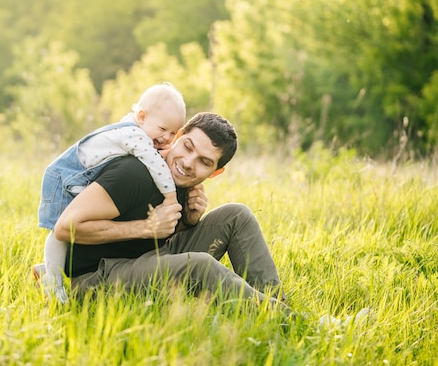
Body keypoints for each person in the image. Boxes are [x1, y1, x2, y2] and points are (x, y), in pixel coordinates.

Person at [48, 112, 288, 310]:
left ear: (215, 172)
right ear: (178, 136)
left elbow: (153, 238)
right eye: (187, 146)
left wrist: (189, 222)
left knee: (237, 215)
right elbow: (65, 228)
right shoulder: (133, 173)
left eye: (204, 162)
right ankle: (287, 319)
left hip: (146, 261)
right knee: (199, 266)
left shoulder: (183, 184)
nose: (187, 162)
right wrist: (147, 227)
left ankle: (276, 304)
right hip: (96, 281)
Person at [35, 83, 187, 303]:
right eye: (163, 130)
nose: (166, 138)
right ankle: (53, 284)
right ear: (142, 116)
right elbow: (154, 162)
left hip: (79, 176)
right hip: (66, 178)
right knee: (61, 230)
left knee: (76, 226)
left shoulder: (135, 126)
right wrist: (171, 197)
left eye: (173, 134)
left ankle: (47, 269)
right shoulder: (134, 135)